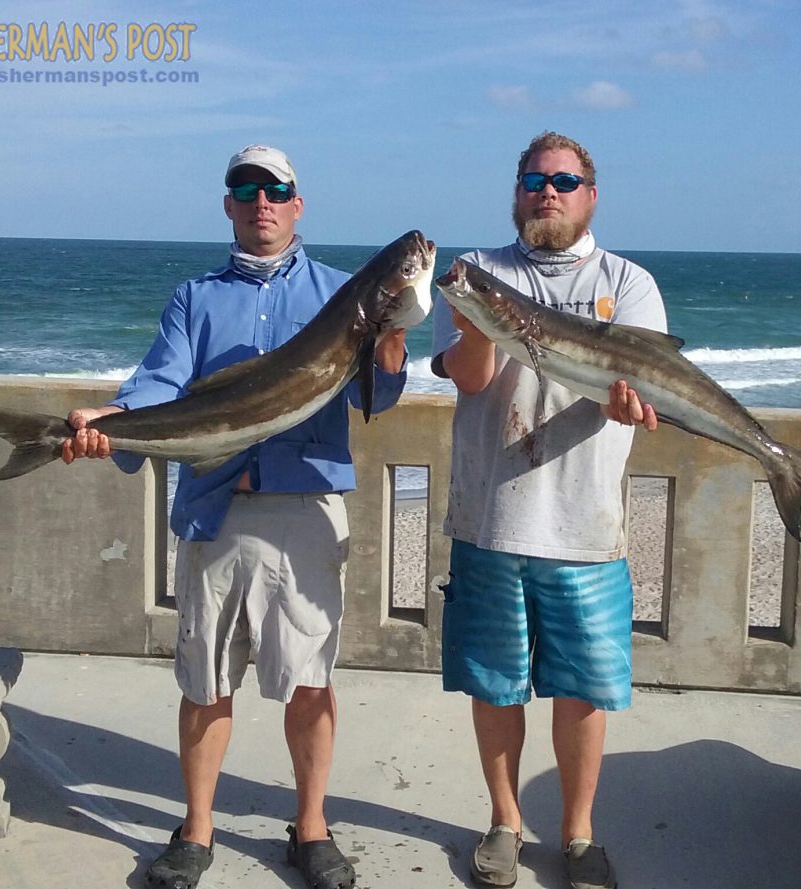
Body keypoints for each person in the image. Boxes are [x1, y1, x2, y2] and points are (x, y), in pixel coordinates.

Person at [63, 144, 409, 889]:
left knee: (310, 681)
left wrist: (391, 340)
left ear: (298, 203)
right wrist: (113, 418)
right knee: (204, 680)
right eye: (246, 189)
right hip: (217, 508)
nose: (262, 202)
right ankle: (196, 826)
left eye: (276, 189)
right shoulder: (194, 297)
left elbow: (374, 401)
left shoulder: (339, 293)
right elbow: (161, 382)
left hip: (304, 507)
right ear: (228, 204)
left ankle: (311, 827)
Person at [431, 131, 666, 889]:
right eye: (534, 179)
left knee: (583, 688)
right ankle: (504, 821)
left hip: (585, 526)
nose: (548, 192)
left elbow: (640, 387)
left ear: (591, 195)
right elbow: (468, 380)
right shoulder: (476, 273)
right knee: (494, 683)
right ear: (516, 191)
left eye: (564, 181)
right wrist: (478, 320)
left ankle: (575, 832)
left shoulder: (627, 283)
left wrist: (631, 400)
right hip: (490, 518)